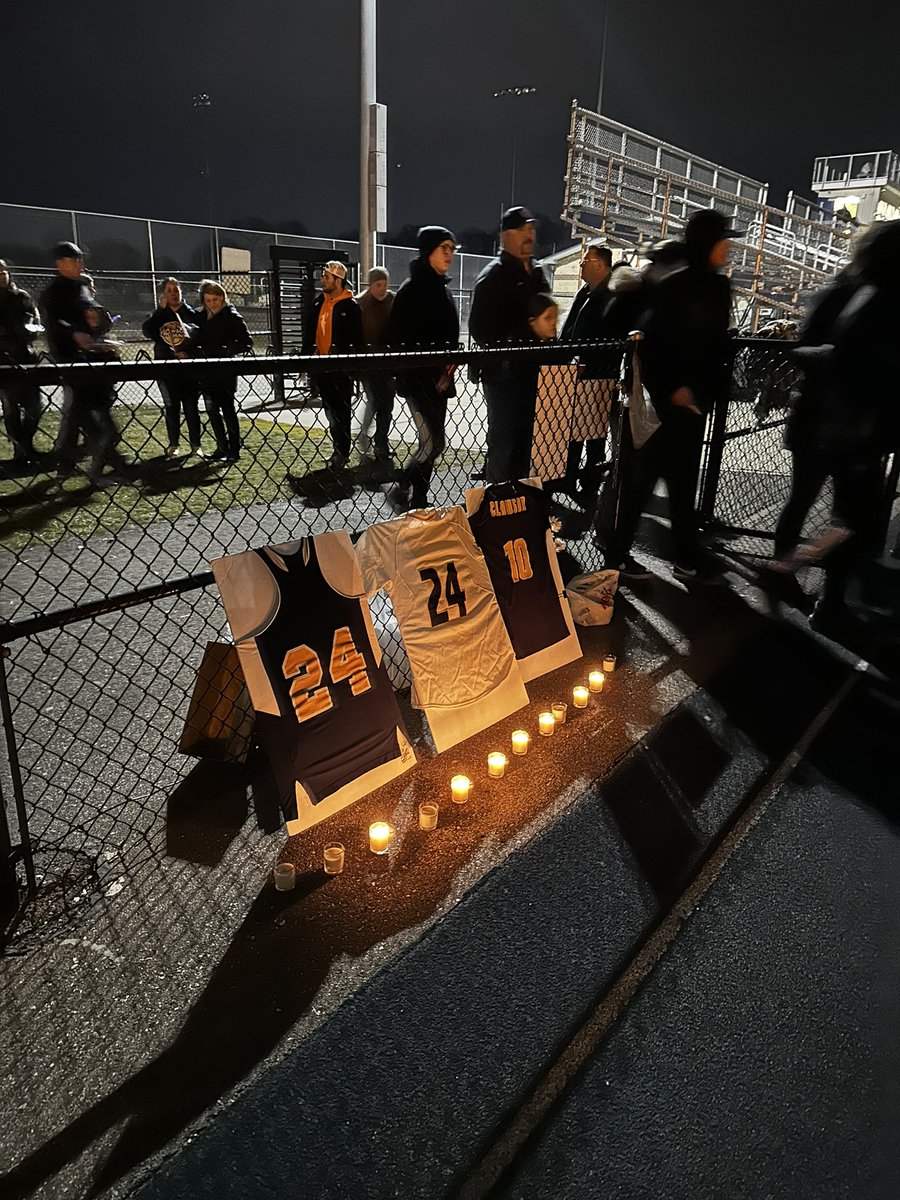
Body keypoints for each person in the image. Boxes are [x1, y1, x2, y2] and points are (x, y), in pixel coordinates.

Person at [774, 220, 900, 638]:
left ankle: (803, 581)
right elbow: (809, 351)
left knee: (840, 516)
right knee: (824, 510)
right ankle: (795, 577)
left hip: (845, 428)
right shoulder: (856, 296)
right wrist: (838, 360)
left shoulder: (869, 295)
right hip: (837, 427)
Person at [604, 208, 736, 580]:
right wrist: (674, 388)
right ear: (706, 243)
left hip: (691, 409)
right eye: (723, 240)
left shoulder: (715, 286)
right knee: (639, 485)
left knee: (681, 487)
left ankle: (686, 557)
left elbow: (714, 347)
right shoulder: (676, 287)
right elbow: (648, 344)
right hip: (665, 408)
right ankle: (616, 558)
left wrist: (703, 392)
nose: (728, 248)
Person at [469, 206, 550, 482]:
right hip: (504, 377)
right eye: (522, 229)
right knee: (504, 443)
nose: (530, 234)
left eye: (532, 228)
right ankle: (498, 504)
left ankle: (524, 502)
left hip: (536, 374)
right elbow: (479, 329)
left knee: (530, 441)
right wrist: (512, 345)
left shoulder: (538, 272)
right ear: (504, 236)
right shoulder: (494, 276)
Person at [387, 226, 460, 510]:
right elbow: (398, 340)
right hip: (417, 383)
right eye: (444, 248)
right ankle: (406, 486)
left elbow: (449, 338)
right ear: (428, 250)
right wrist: (428, 372)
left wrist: (446, 373)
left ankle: (416, 494)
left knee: (434, 442)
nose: (450, 254)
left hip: (439, 381)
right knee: (431, 442)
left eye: (452, 249)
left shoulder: (443, 289)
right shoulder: (411, 291)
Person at [558, 244, 617, 501]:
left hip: (597, 374)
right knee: (575, 432)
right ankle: (570, 479)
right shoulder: (587, 291)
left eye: (586, 261)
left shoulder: (610, 297)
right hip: (580, 372)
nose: (580, 265)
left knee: (592, 435)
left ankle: (588, 485)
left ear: (599, 265)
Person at [303, 260, 363, 470]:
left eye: (326, 277)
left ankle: (342, 452)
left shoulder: (350, 306)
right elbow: (309, 333)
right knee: (330, 411)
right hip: (322, 366)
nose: (322, 280)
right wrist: (305, 360)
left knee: (342, 412)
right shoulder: (320, 303)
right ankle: (337, 449)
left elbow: (358, 340)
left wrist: (353, 366)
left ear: (338, 280)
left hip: (341, 369)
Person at [192, 280, 252, 462]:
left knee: (227, 410)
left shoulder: (231, 316)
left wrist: (226, 350)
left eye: (215, 300)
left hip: (224, 370)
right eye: (208, 300)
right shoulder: (199, 316)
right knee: (211, 409)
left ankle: (234, 449)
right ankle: (221, 446)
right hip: (205, 369)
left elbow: (246, 342)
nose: (212, 304)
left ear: (222, 298)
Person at [141, 277, 202, 457]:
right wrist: (160, 311)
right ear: (163, 294)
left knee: (191, 407)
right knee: (171, 406)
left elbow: (199, 337)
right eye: (169, 290)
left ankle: (195, 445)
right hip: (167, 368)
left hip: (188, 369)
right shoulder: (159, 314)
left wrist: (188, 352)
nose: (173, 294)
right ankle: (173, 444)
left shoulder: (190, 313)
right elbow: (148, 331)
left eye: (176, 290)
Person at [0, 260, 44, 467]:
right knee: (11, 409)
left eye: (3, 272)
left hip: (26, 358)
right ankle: (20, 451)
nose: (2, 275)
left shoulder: (21, 297)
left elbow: (35, 320)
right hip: (3, 361)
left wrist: (31, 328)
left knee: (35, 408)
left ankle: (26, 445)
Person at [355, 267, 396, 474]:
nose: (382, 289)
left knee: (387, 404)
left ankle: (381, 441)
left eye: (385, 285)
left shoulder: (391, 301)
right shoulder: (360, 303)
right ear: (370, 285)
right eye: (378, 285)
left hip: (387, 363)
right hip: (369, 363)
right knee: (374, 400)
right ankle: (364, 435)